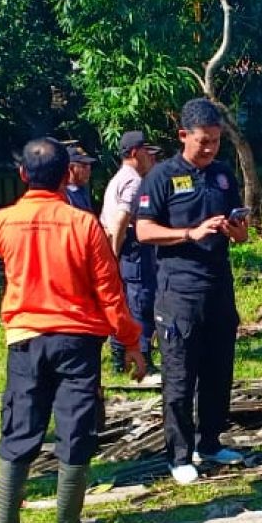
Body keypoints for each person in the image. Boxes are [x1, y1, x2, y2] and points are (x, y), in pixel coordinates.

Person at [0, 137, 145, 523]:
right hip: (77, 341)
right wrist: (131, 342)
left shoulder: (1, 222)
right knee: (75, 427)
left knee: (20, 424)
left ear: (23, 174)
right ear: (66, 175)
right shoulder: (83, 225)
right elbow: (110, 293)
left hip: (25, 337)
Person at [135, 98, 249, 485]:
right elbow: (143, 230)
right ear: (183, 135)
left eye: (216, 141)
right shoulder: (162, 176)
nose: (210, 148)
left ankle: (211, 442)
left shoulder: (222, 175)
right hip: (179, 290)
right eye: (203, 141)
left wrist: (236, 230)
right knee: (181, 376)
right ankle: (179, 454)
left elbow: (244, 231)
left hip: (218, 287)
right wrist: (189, 233)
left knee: (219, 371)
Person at [101, 130, 161, 375]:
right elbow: (121, 219)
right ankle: (142, 360)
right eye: (147, 150)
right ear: (136, 152)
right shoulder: (134, 181)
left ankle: (120, 357)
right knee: (141, 301)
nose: (150, 155)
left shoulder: (119, 177)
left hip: (123, 247)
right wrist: (113, 256)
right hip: (132, 248)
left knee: (126, 302)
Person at [64, 144, 96, 213]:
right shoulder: (64, 195)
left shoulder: (83, 189)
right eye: (84, 166)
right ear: (71, 168)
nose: (88, 170)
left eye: (89, 165)